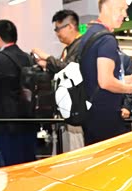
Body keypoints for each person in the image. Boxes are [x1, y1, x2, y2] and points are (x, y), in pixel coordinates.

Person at [77, 0, 132, 145]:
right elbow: (105, 82)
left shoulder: (89, 34)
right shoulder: (106, 40)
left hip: (91, 111)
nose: (125, 14)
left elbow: (95, 76)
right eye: (121, 9)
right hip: (106, 115)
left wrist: (128, 79)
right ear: (105, 7)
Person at [32, 10, 84, 150]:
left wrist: (48, 58)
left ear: (70, 26)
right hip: (68, 108)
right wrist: (47, 65)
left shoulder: (80, 46)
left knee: (78, 149)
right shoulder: (69, 49)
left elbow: (70, 70)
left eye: (58, 29)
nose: (57, 33)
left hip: (76, 108)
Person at [0, 19, 36, 166]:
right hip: (28, 118)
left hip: (6, 121)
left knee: (9, 164)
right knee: (29, 162)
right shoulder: (27, 57)